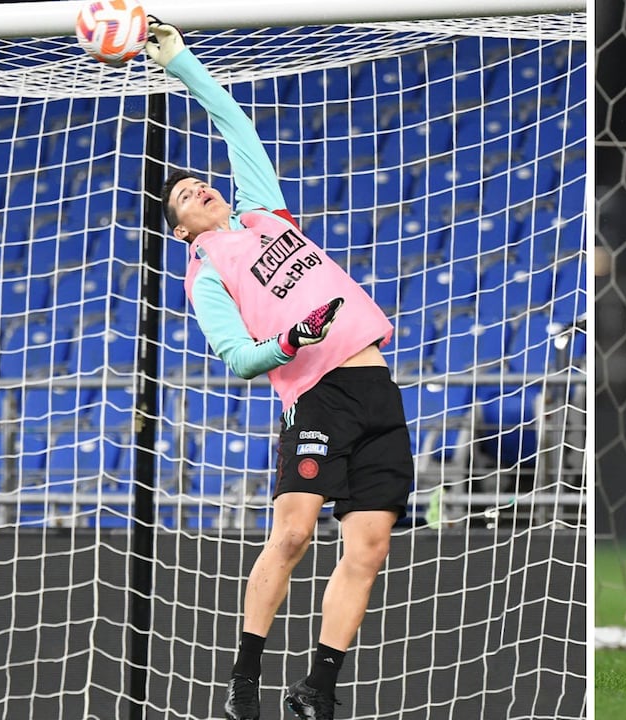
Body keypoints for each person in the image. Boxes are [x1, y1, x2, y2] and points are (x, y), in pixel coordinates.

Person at [145, 21, 415, 719]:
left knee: (371, 544)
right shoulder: (204, 274)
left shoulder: (265, 216)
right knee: (293, 533)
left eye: (199, 182)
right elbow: (239, 359)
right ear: (181, 231)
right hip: (317, 396)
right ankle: (244, 684)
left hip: (375, 385)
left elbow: (232, 122)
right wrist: (292, 339)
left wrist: (181, 62)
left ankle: (318, 690)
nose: (198, 188)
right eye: (184, 197)